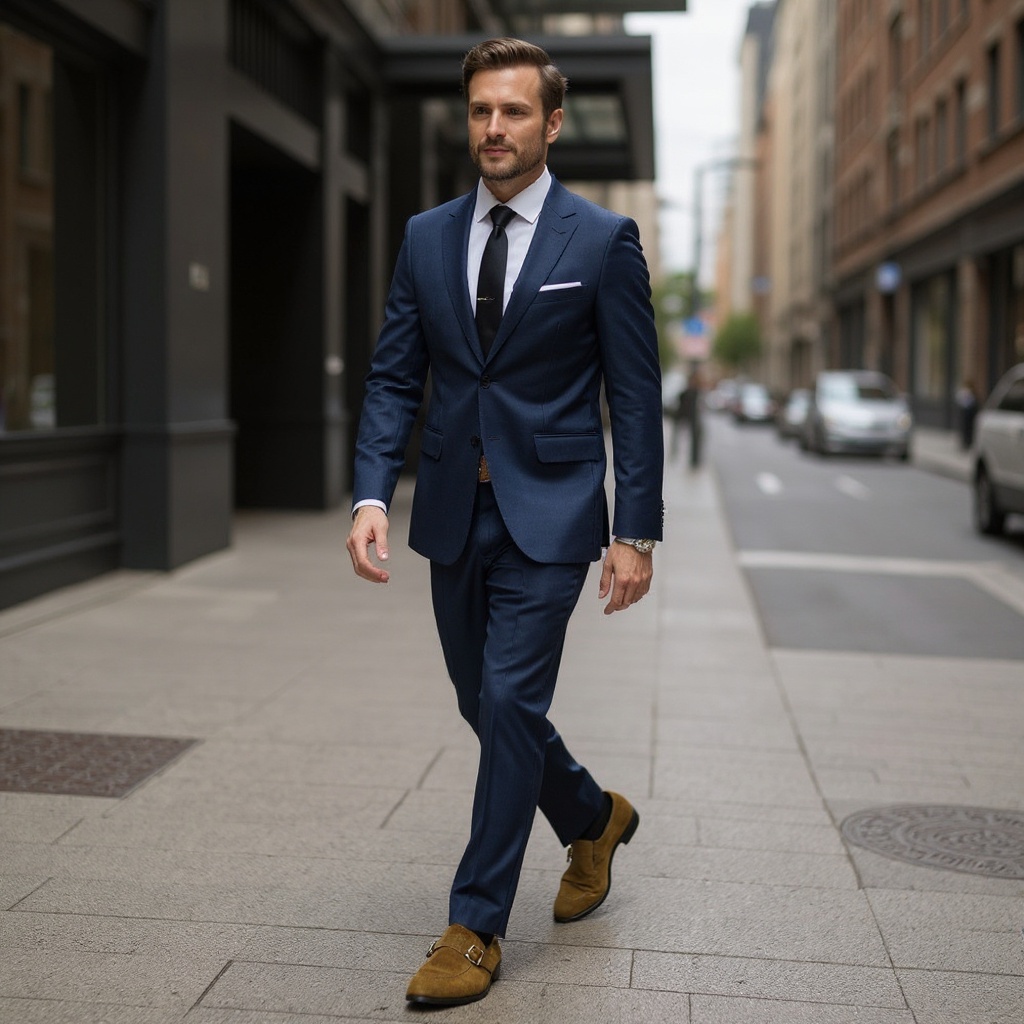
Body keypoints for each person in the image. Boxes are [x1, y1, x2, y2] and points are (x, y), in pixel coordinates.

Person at [346, 37, 664, 1007]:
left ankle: (474, 924)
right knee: (480, 703)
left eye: (514, 112)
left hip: (554, 511)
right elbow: (397, 373)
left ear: (551, 122)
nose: (494, 128)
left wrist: (633, 531)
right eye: (482, 111)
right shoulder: (425, 234)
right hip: (451, 505)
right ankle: (592, 817)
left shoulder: (600, 240)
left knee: (511, 702)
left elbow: (635, 393)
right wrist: (368, 494)